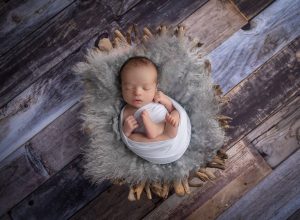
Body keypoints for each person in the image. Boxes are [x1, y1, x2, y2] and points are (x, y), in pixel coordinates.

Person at [119, 56, 180, 142]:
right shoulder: (126, 111)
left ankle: (166, 131)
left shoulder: (156, 98)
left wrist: (165, 100)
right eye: (128, 88)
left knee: (176, 113)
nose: (137, 93)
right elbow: (123, 136)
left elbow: (172, 109)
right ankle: (162, 133)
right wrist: (126, 130)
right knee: (131, 138)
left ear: (155, 88)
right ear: (121, 87)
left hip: (166, 124)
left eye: (146, 88)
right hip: (151, 141)